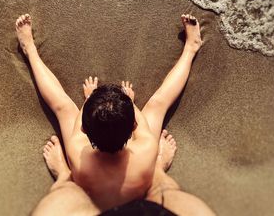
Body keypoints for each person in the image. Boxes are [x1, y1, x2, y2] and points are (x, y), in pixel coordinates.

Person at [15, 13, 215, 215]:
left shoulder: (78, 152)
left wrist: (91, 98)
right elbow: (154, 109)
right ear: (134, 127)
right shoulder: (146, 149)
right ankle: (191, 49)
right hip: (141, 189)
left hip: (91, 196)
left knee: (64, 108)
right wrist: (128, 100)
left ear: (84, 129)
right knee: (157, 105)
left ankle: (30, 50)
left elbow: (65, 109)